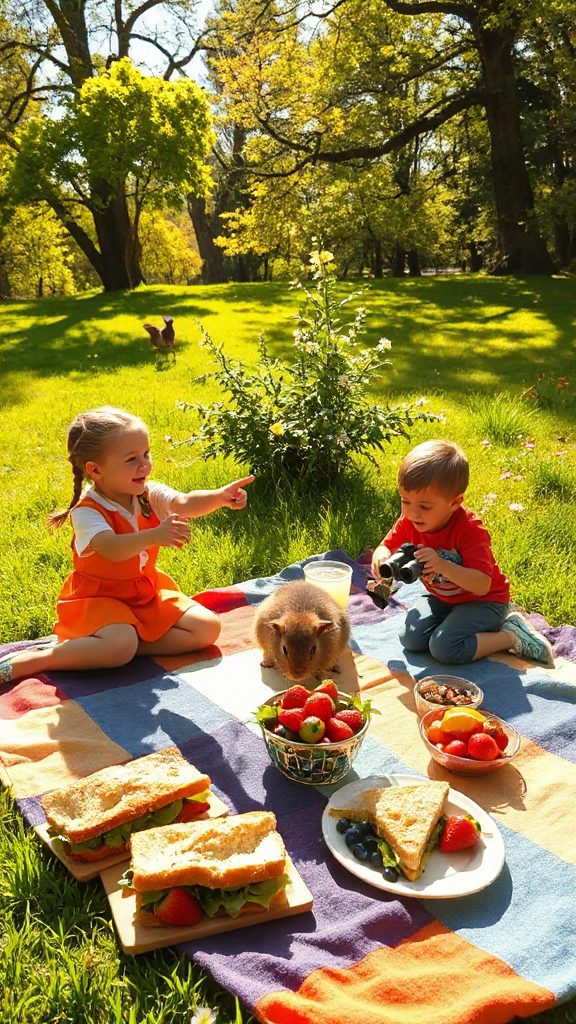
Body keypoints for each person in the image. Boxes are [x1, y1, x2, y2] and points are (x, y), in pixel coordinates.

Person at [0, 406, 254, 684]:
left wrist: (219, 496)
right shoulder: (87, 511)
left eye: (146, 454)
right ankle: (45, 657)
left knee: (207, 629)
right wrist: (155, 535)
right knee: (121, 642)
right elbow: (111, 548)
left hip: (144, 594)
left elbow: (184, 503)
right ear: (96, 470)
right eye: (132, 459)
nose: (144, 465)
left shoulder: (146, 493)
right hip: (98, 599)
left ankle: (119, 648)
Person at [370, 440, 554, 666]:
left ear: (455, 502)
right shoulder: (410, 520)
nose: (412, 513)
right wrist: (380, 557)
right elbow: (385, 546)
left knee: (445, 647)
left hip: (485, 601)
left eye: (425, 506)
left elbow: (482, 585)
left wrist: (443, 566)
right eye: (405, 502)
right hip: (442, 597)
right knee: (410, 639)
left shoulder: (470, 531)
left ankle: (511, 635)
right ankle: (454, 624)